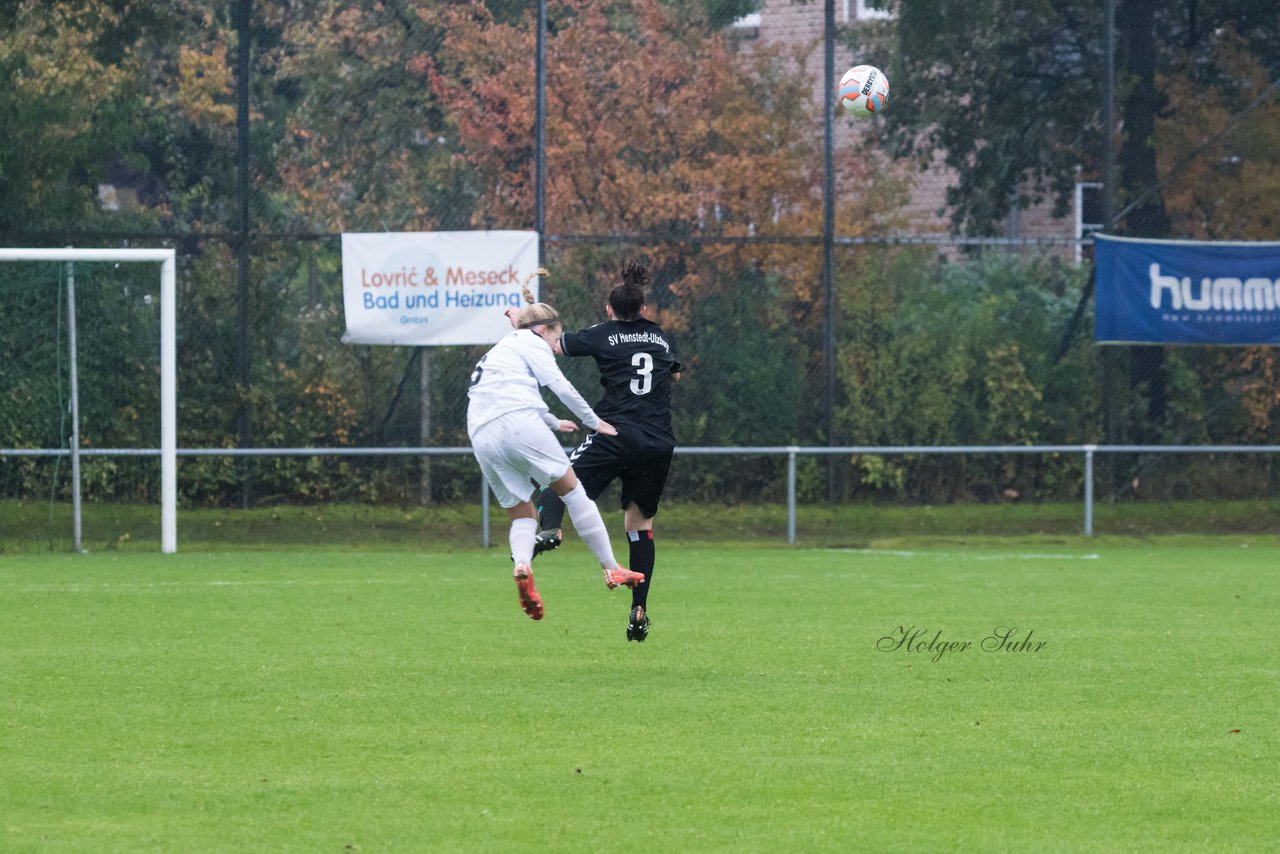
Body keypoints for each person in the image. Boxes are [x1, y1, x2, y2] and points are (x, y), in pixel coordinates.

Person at [467, 288, 645, 622]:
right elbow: (560, 386)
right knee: (573, 490)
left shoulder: (504, 348)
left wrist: (549, 420)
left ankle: (522, 564)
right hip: (517, 421)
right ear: (544, 330)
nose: (554, 347)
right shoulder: (533, 341)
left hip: (481, 433)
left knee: (522, 514)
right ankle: (611, 568)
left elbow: (506, 391)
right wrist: (595, 422)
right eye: (555, 339)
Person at [529, 259, 681, 643]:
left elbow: (554, 345)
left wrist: (524, 323)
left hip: (614, 433)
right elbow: (674, 372)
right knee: (639, 528)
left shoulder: (603, 333)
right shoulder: (661, 337)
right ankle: (639, 608)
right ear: (644, 310)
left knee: (557, 483)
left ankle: (550, 530)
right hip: (658, 442)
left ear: (610, 310)